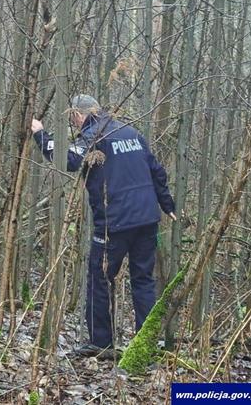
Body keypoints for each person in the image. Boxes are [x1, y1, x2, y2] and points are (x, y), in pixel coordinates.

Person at [31, 95, 176, 358]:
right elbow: (156, 170)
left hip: (115, 223)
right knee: (143, 280)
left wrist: (40, 135)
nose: (73, 125)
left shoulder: (94, 136)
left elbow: (68, 159)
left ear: (78, 115)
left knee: (100, 277)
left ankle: (101, 343)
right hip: (147, 219)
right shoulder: (130, 131)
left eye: (72, 119)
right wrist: (167, 205)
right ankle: (146, 346)